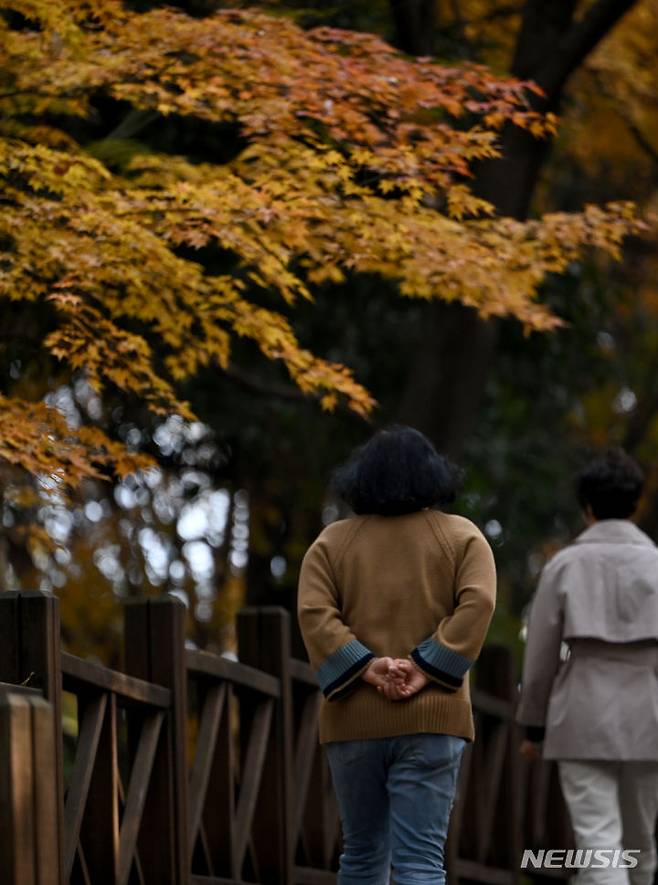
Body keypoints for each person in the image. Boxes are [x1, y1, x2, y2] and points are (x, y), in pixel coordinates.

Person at [297, 425, 497, 885]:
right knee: (421, 862)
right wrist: (425, 668)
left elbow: (313, 612)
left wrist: (368, 669)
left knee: (362, 857)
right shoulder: (462, 538)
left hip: (352, 720)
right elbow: (478, 603)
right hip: (433, 718)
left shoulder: (331, 544)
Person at [516, 448, 658, 885]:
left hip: (581, 714)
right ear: (635, 504)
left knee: (598, 842)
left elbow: (539, 656)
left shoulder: (565, 565)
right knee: (641, 846)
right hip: (649, 714)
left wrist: (533, 726)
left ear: (588, 507)